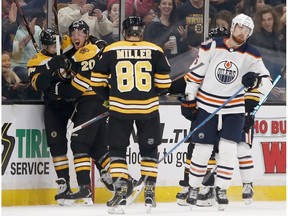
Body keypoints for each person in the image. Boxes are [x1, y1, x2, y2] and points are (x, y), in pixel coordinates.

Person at [180, 13, 272, 210]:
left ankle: (221, 189)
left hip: (234, 108)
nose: (242, 32)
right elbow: (195, 76)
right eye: (240, 28)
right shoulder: (211, 46)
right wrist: (189, 100)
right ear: (232, 27)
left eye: (247, 31)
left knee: (229, 150)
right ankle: (194, 188)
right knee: (202, 150)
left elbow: (267, 82)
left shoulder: (252, 54)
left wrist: (255, 82)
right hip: (207, 105)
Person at [90, 16, 172, 213]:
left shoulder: (110, 50)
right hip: (148, 109)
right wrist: (150, 94)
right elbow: (165, 84)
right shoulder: (156, 50)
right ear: (141, 31)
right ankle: (150, 190)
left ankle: (120, 189)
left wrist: (110, 98)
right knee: (149, 150)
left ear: (124, 31)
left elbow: (95, 81)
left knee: (117, 150)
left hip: (120, 109)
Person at [45, 20, 113, 204]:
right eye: (73, 33)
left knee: (78, 143)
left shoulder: (86, 52)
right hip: (100, 102)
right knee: (98, 148)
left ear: (87, 34)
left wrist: (57, 89)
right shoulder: (93, 47)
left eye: (80, 33)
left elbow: (76, 88)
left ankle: (85, 187)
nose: (76, 37)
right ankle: (123, 180)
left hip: (91, 102)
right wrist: (64, 65)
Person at [27, 28, 75, 205]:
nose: (55, 48)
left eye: (56, 44)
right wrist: (50, 66)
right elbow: (38, 85)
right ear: (44, 45)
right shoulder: (36, 60)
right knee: (57, 146)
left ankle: (108, 176)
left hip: (74, 104)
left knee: (85, 140)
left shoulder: (67, 48)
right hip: (54, 107)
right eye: (50, 45)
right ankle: (64, 186)